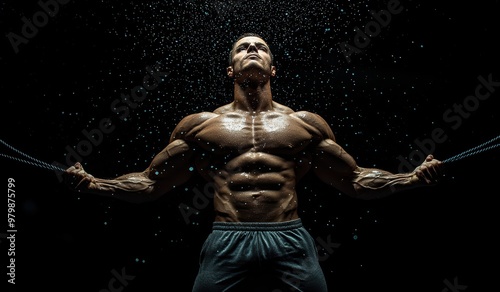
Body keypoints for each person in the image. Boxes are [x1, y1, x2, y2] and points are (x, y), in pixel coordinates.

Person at [64, 32, 444, 291]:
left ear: (273, 69)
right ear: (230, 70)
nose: (251, 49)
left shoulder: (305, 125)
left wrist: (410, 179)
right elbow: (151, 183)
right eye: (242, 47)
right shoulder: (200, 127)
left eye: (260, 47)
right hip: (228, 239)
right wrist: (97, 183)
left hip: (290, 238)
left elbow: (356, 179)